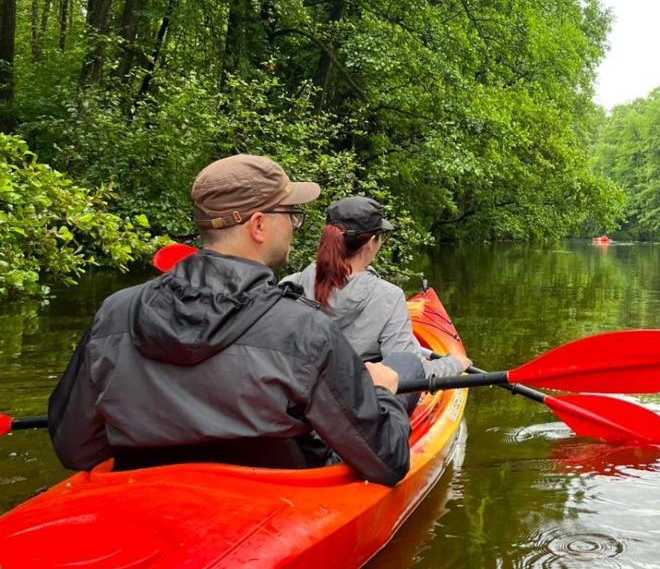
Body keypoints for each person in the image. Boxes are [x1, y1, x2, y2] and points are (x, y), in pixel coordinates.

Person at [47, 154, 419, 486]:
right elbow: (386, 462)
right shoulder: (304, 329)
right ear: (259, 226)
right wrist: (384, 393)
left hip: (146, 495)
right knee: (402, 365)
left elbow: (75, 447)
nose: (295, 226)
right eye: (292, 215)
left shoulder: (116, 311)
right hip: (274, 508)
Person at [282, 196, 470, 378]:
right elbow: (409, 372)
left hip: (297, 394)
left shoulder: (290, 284)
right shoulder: (389, 297)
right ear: (371, 243)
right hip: (351, 402)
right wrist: (455, 363)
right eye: (382, 237)